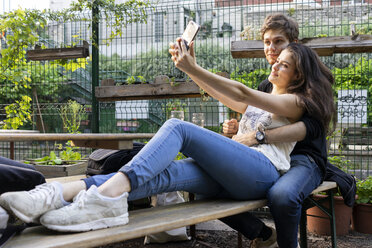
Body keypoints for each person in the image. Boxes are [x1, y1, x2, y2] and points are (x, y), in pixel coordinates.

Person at [0, 40, 335, 240]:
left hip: (261, 174)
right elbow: (227, 94)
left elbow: (239, 90)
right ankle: (55, 194)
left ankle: (106, 197)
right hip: (235, 173)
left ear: (298, 76)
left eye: (284, 63)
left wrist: (194, 64)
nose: (274, 63)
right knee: (165, 175)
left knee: (178, 128)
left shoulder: (296, 102)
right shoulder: (268, 94)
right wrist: (188, 68)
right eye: (276, 60)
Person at [219, 14, 336, 248]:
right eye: (266, 42)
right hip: (267, 156)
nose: (271, 48)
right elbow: (253, 121)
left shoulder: (310, 80)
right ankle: (262, 234)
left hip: (304, 160)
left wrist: (257, 137)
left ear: (293, 42)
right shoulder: (267, 84)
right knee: (212, 186)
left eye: (278, 41)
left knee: (282, 196)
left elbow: (312, 127)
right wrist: (234, 130)